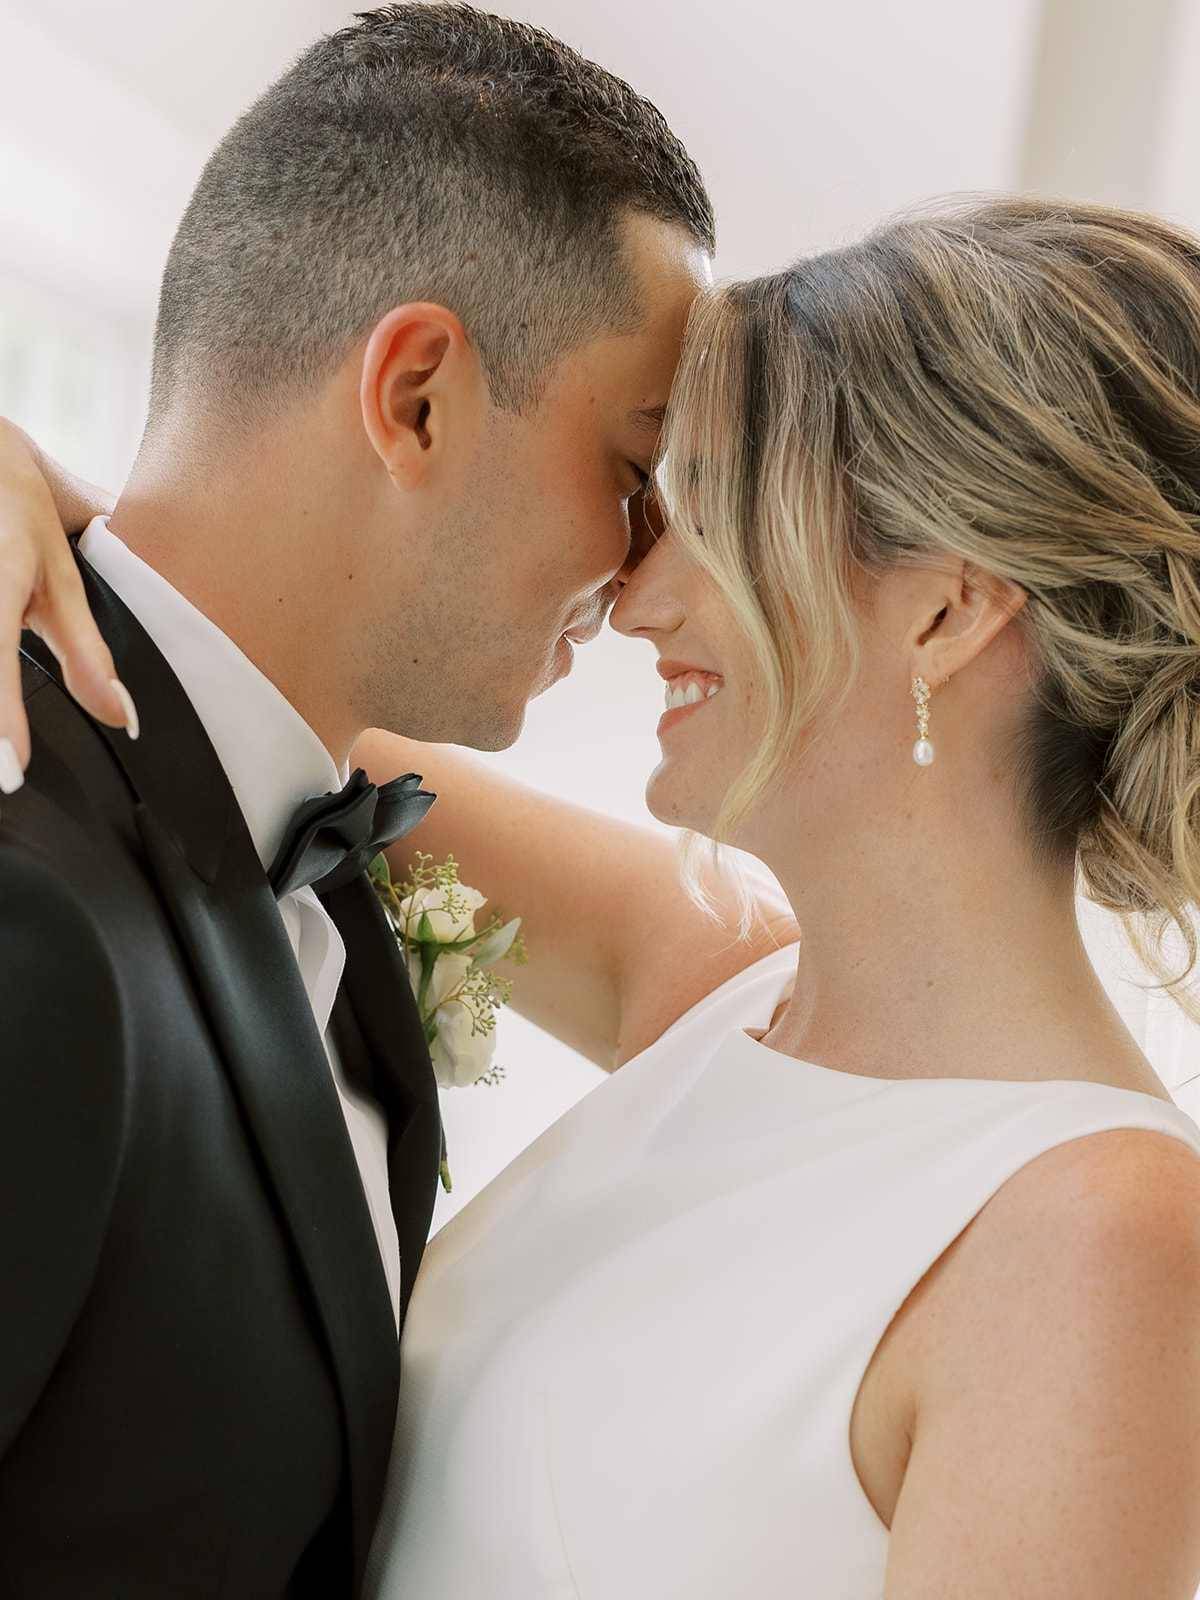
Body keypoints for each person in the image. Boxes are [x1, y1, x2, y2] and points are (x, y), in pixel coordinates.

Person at [0, 7, 791, 1597]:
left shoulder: (346, 865)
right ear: (418, 393)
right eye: (638, 468)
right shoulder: (26, 898)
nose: (646, 570)